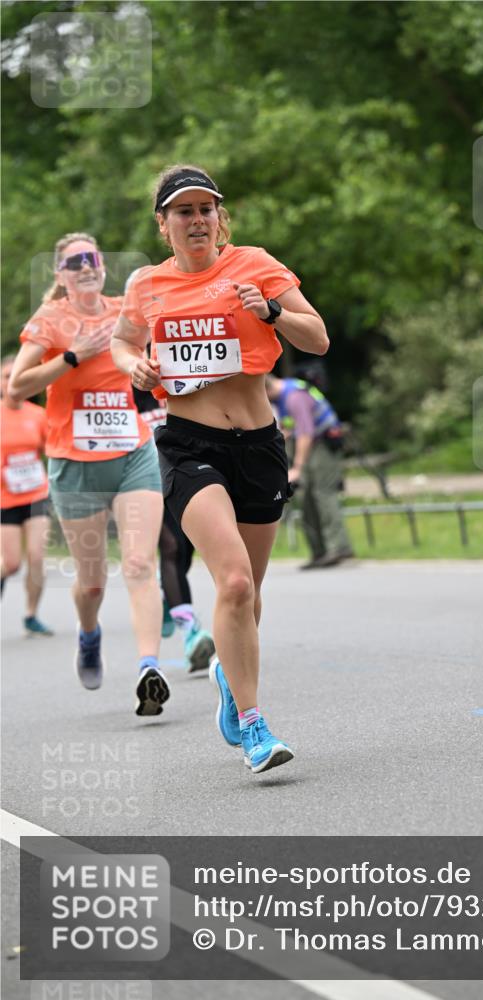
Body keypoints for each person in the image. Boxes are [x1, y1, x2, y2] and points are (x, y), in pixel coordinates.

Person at [111, 163, 328, 773]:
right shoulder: (147, 285)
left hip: (258, 444)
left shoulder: (255, 265)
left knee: (249, 595)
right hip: (188, 445)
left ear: (219, 217)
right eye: (184, 211)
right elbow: (124, 341)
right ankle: (256, 730)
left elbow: (317, 338)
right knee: (231, 581)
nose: (198, 219)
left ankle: (232, 687)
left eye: (207, 209)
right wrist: (135, 364)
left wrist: (271, 314)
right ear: (164, 224)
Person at [8, 234, 169, 716]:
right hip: (74, 463)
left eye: (92, 258)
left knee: (140, 564)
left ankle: (148, 668)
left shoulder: (125, 308)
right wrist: (72, 355)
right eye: (74, 262)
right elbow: (17, 386)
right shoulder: (49, 320)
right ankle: (89, 633)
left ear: (102, 267)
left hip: (132, 452)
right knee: (93, 583)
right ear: (60, 274)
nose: (85, 267)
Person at [133, 381, 215, 669]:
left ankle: (168, 592)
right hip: (145, 484)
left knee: (185, 551)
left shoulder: (176, 374)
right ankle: (190, 631)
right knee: (170, 548)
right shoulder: (123, 385)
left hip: (182, 474)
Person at [265, 374, 354, 569]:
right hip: (311, 445)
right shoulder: (282, 397)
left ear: (267, 390)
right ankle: (319, 552)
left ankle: (338, 548)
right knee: (305, 498)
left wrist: (297, 467)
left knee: (323, 493)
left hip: (322, 445)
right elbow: (291, 427)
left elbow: (306, 433)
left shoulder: (294, 397)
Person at [0, 354, 53, 635]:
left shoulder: (37, 415)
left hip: (35, 494)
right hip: (5, 500)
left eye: (15, 375)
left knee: (36, 556)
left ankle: (31, 614)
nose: (11, 381)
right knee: (10, 563)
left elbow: (50, 451)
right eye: (6, 376)